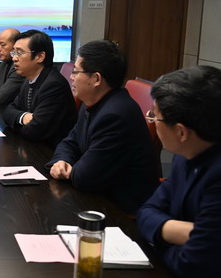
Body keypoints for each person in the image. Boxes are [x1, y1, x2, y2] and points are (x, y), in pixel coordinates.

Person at [137, 65, 221, 278]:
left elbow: (196, 267)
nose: (152, 121)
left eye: (155, 116)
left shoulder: (218, 174)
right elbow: (146, 211)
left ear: (181, 132)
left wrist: (158, 241)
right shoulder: (185, 155)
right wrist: (183, 232)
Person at [47, 40, 159, 214]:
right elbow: (69, 141)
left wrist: (69, 172)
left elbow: (85, 177)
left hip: (120, 209)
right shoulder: (92, 102)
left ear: (96, 79)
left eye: (76, 71)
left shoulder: (116, 115)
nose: (72, 77)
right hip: (97, 195)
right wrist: (63, 161)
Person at [2, 30, 76, 146]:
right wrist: (23, 117)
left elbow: (35, 131)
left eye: (19, 53)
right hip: (33, 146)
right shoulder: (29, 79)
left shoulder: (54, 85)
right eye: (14, 52)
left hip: (49, 152)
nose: (14, 58)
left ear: (40, 57)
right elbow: (8, 111)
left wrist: (15, 122)